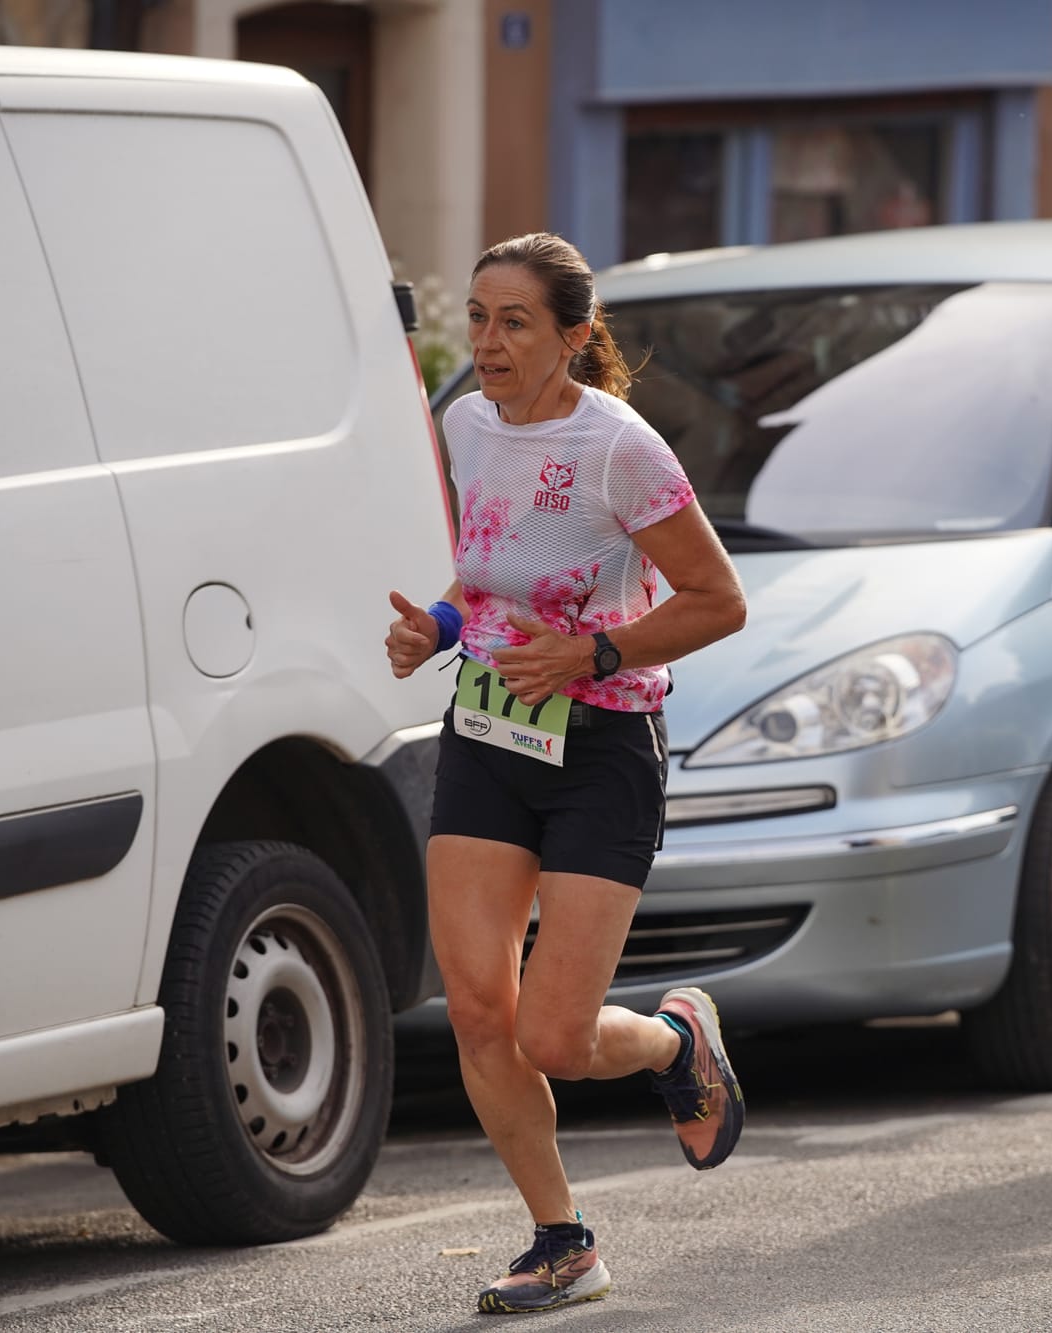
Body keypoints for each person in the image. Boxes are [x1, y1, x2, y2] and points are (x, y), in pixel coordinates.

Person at [384, 232, 748, 1313]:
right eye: (478, 318)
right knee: (478, 1012)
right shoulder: (466, 424)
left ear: (573, 337)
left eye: (513, 323)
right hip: (490, 735)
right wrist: (440, 623)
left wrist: (590, 654)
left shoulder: (619, 449)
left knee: (553, 1032)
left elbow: (716, 601)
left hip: (601, 748)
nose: (487, 342)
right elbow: (494, 561)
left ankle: (677, 1040)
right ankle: (562, 1238)